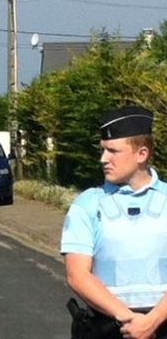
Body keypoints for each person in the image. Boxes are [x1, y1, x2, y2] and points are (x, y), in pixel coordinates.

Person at [61, 105, 167, 339]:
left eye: (113, 151)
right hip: (108, 327)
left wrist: (153, 320)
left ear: (142, 154)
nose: (103, 159)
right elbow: (77, 274)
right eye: (102, 150)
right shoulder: (86, 205)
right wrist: (130, 320)